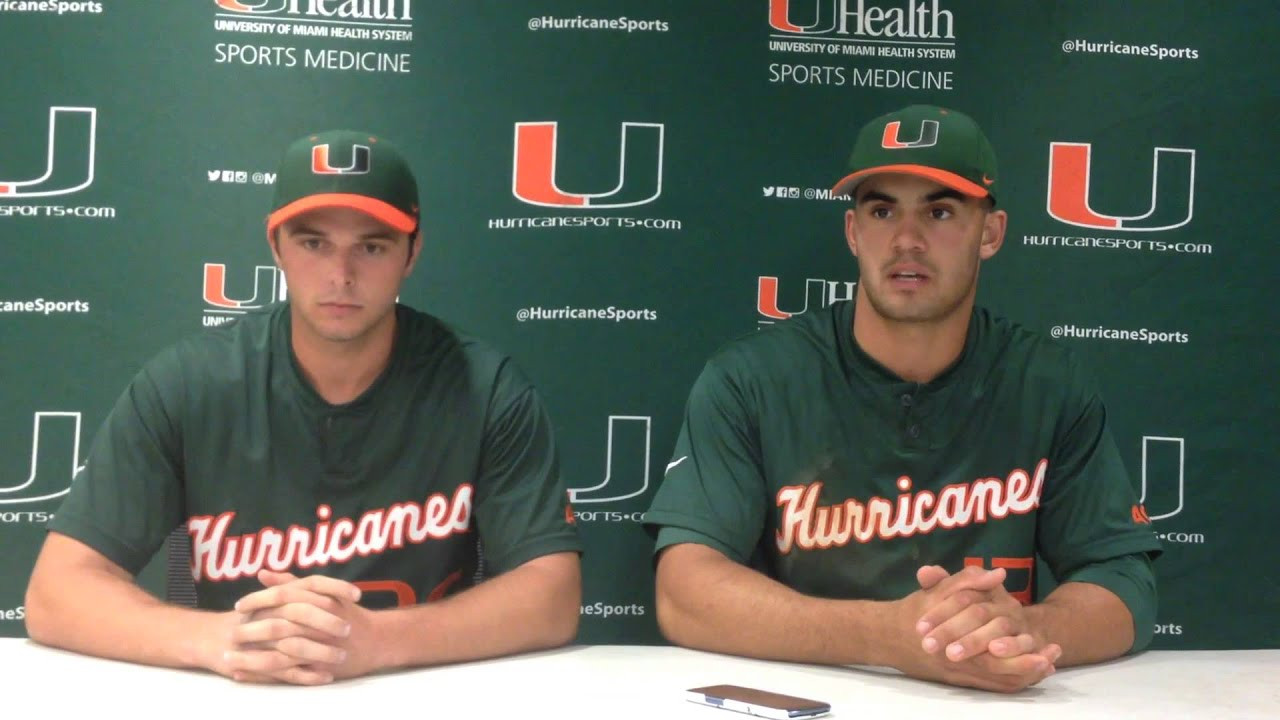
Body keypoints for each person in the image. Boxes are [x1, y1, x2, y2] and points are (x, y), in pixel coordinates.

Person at [24, 130, 582, 685]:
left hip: (421, 689)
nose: (341, 275)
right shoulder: (189, 383)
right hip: (242, 692)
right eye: (314, 243)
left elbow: (552, 593)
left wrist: (374, 641)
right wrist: (217, 639)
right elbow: (56, 592)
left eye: (372, 245)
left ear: (412, 252)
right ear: (276, 246)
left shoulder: (484, 387)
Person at [644, 105, 1162, 693]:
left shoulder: (1047, 383)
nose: (907, 240)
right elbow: (683, 591)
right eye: (882, 210)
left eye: (939, 212)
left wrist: (1022, 631)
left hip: (989, 702)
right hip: (810, 695)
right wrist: (885, 635)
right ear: (852, 232)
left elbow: (1125, 581)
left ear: (990, 232)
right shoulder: (752, 379)